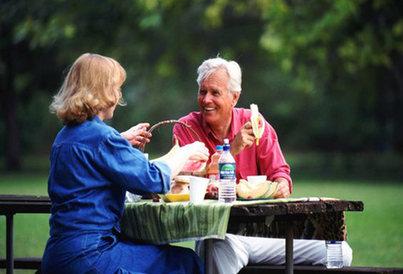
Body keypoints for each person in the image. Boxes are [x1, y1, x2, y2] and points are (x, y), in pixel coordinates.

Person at [172, 57, 353, 274]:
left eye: (215, 92)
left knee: (341, 252)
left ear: (235, 97)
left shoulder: (256, 125)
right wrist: (234, 149)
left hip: (262, 236)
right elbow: (188, 180)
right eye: (202, 92)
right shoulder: (186, 128)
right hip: (219, 234)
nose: (206, 99)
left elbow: (281, 175)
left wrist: (281, 185)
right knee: (216, 249)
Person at [42, 53, 209, 274]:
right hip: (91, 256)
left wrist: (120, 141)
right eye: (116, 87)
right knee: (186, 262)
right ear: (102, 90)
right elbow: (152, 179)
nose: (119, 95)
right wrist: (187, 150)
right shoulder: (102, 137)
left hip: (57, 255)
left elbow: (91, 163)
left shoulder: (64, 137)